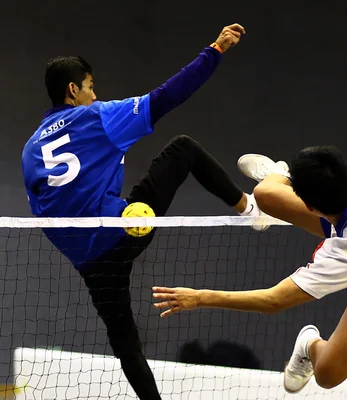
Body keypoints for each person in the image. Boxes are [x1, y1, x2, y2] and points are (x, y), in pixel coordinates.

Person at [152, 6, 347, 393]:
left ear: (314, 208)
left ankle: (307, 343)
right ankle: (278, 176)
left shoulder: (341, 253)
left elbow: (274, 301)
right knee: (264, 197)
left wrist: (201, 297)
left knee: (327, 375)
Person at [22, 23, 267, 400]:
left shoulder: (30, 149)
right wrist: (215, 50)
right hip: (124, 230)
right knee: (182, 148)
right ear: (73, 90)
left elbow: (44, 213)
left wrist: (81, 251)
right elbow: (169, 95)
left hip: (91, 265)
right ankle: (251, 209)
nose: (95, 93)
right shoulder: (96, 117)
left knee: (125, 345)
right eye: (90, 85)